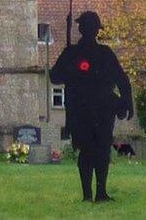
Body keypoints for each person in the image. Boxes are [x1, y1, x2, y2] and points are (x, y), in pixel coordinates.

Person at [50, 11, 133, 203]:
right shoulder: (70, 53)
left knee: (102, 150)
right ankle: (88, 195)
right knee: (87, 151)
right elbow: (55, 77)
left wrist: (127, 100)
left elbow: (122, 79)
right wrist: (70, 68)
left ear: (95, 30)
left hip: (102, 109)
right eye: (85, 26)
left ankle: (100, 192)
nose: (88, 30)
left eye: (91, 27)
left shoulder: (105, 53)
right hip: (81, 110)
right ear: (81, 29)